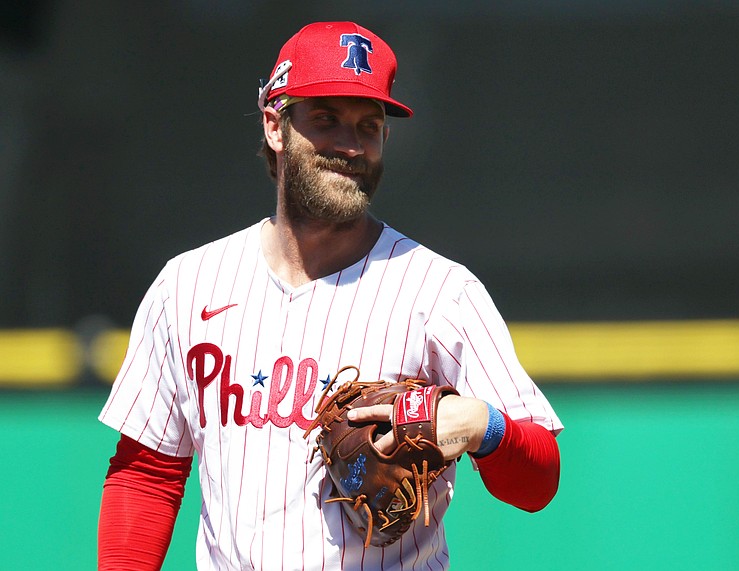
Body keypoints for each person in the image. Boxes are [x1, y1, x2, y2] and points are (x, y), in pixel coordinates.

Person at [97, 21, 563, 571]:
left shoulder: (440, 292)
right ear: (275, 125)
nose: (349, 144)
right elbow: (148, 473)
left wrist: (482, 426)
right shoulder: (188, 285)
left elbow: (538, 481)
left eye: (369, 125)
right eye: (326, 119)